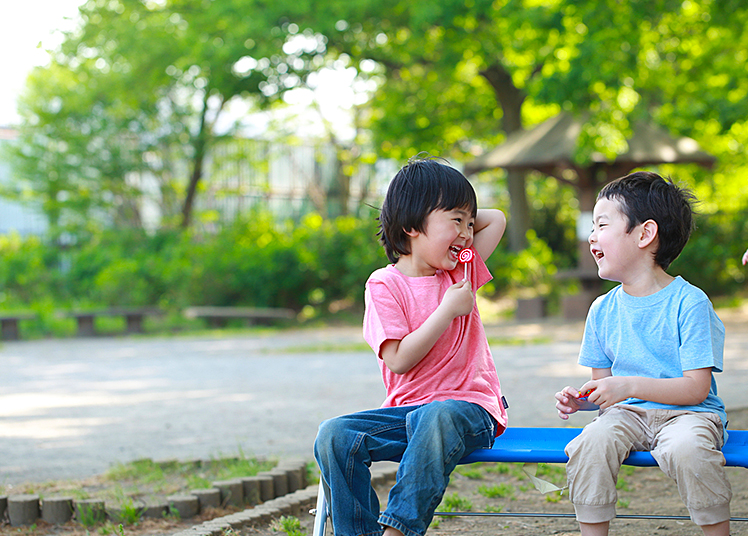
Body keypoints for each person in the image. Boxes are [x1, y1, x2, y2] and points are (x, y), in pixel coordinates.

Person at [314, 155, 509, 536]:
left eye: (470, 223)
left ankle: (398, 530)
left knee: (436, 416)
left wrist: (456, 218)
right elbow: (399, 358)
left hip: (468, 410)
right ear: (411, 225)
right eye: (456, 220)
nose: (468, 234)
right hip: (407, 415)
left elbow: (497, 217)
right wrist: (447, 310)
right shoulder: (384, 285)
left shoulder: (459, 269)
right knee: (334, 435)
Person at [554, 171, 731, 536]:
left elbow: (696, 389)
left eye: (602, 224)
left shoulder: (690, 303)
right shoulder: (602, 309)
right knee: (590, 441)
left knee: (689, 450)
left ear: (645, 234)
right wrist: (583, 401)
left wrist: (627, 385)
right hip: (626, 415)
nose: (591, 236)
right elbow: (605, 394)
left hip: (689, 416)